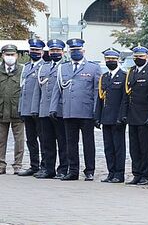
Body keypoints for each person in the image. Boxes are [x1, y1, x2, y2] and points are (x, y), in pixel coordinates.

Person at [51, 38, 101, 181]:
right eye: (73, 50)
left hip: (86, 112)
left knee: (88, 143)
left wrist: (96, 111)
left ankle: (89, 170)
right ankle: (73, 170)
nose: (75, 52)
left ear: (83, 51)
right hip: (68, 111)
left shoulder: (93, 68)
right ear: (68, 51)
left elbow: (97, 91)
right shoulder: (63, 68)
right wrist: (53, 108)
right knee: (70, 143)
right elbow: (58, 89)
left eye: (78, 50)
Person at [120, 46, 148, 186]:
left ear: (147, 57)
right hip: (132, 115)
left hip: (145, 116)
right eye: (136, 57)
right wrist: (124, 114)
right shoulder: (131, 72)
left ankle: (145, 175)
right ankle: (136, 174)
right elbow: (127, 95)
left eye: (141, 57)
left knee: (145, 148)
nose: (138, 59)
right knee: (134, 148)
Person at [94, 48, 128, 183]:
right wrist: (97, 117)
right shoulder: (105, 77)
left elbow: (125, 100)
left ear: (118, 60)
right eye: (108, 60)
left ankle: (119, 174)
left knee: (118, 147)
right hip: (106, 118)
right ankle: (111, 172)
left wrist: (122, 116)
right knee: (108, 147)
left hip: (117, 118)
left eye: (113, 60)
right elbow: (100, 99)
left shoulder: (123, 76)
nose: (110, 62)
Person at [35, 39, 66, 179]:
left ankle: (63, 169)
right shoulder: (44, 67)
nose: (55, 53)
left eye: (57, 51)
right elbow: (38, 91)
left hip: (60, 110)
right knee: (46, 141)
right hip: (44, 110)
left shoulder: (65, 67)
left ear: (62, 52)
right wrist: (35, 109)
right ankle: (48, 168)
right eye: (52, 51)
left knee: (62, 141)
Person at [16, 39, 44, 176]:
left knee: (44, 139)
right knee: (31, 139)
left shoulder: (45, 66)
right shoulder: (26, 67)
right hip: (27, 109)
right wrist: (21, 109)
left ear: (42, 52)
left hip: (39, 109)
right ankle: (34, 165)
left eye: (37, 50)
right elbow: (23, 90)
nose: (35, 52)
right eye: (33, 50)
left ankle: (45, 166)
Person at [0, 44, 24, 174]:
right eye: (7, 54)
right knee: (0, 140)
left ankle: (18, 165)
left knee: (19, 141)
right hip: (1, 110)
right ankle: (1, 165)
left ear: (17, 56)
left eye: (12, 54)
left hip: (17, 110)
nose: (10, 57)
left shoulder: (22, 70)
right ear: (2, 55)